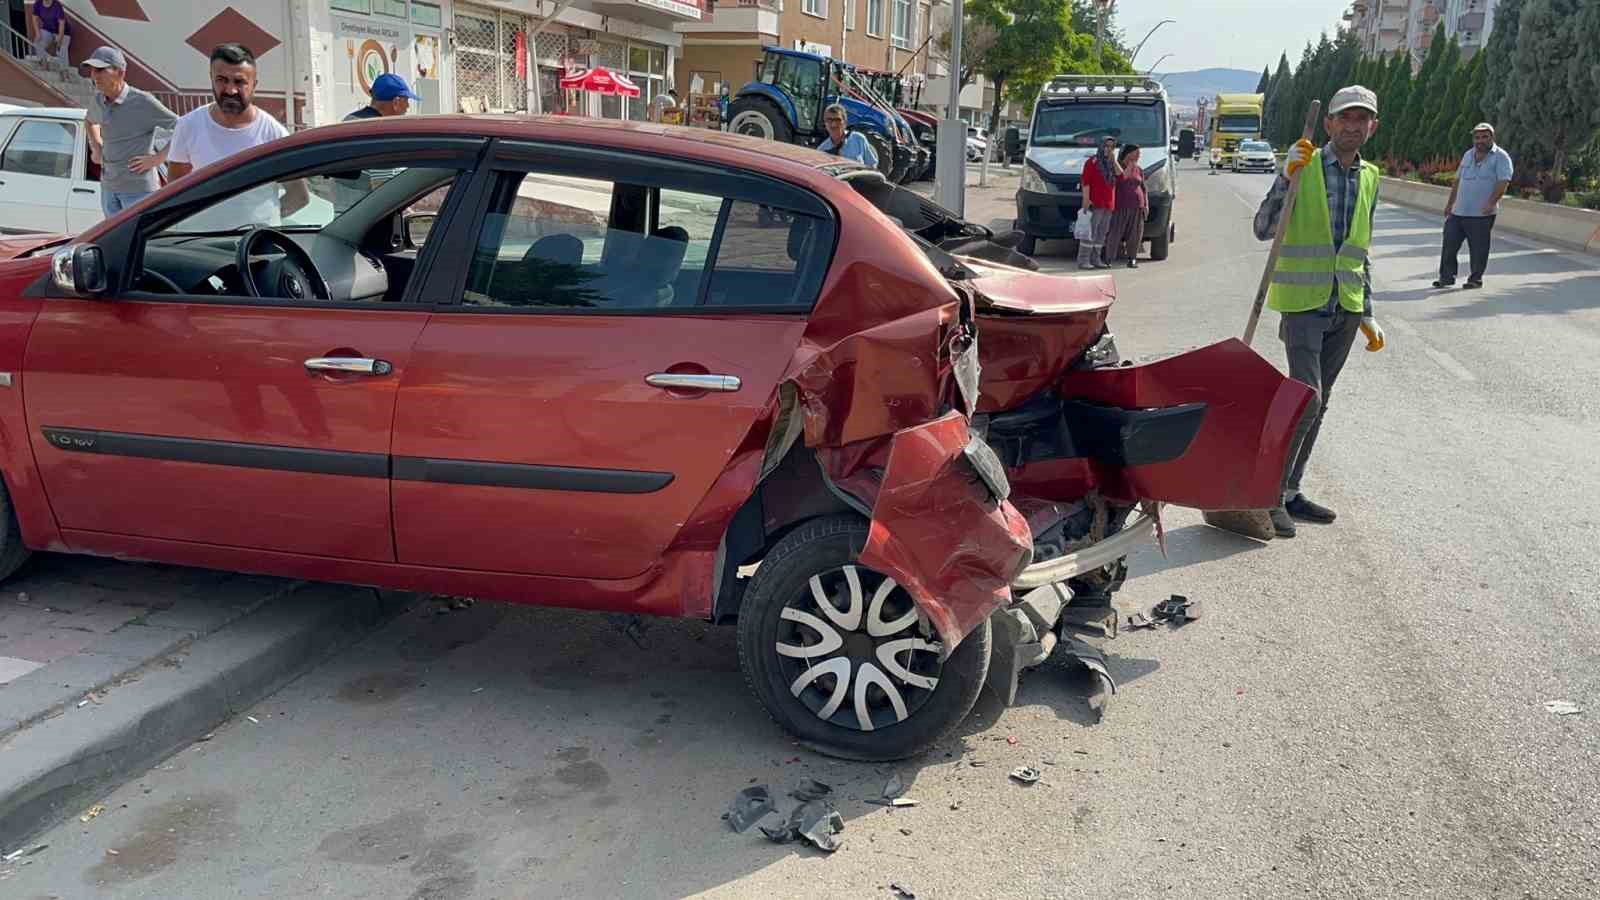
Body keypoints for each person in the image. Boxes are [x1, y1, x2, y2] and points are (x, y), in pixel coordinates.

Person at [1252, 85, 1388, 538]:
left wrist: (1366, 311)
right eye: (1344, 118)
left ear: (1373, 127)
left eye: (1361, 119)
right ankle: (1268, 496)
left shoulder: (1370, 176)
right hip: (1304, 305)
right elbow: (1262, 228)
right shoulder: (1304, 164)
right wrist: (1284, 176)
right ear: (1329, 123)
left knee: (1321, 401)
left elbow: (1360, 250)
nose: (1352, 126)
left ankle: (1291, 491)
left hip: (1344, 307)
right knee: (1305, 397)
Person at [157, 43, 306, 229]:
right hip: (202, 247)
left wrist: (265, 220)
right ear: (211, 79)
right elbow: (175, 193)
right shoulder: (188, 126)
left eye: (239, 82)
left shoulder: (274, 134)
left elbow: (299, 197)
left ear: (254, 85)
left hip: (255, 248)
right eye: (222, 80)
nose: (230, 90)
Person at [81, 46, 177, 217]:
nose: (94, 75)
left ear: (120, 72)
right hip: (109, 189)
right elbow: (89, 121)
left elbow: (182, 127)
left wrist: (157, 159)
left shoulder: (143, 101)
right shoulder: (98, 100)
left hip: (139, 191)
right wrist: (96, 146)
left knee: (138, 241)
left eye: (101, 70)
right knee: (116, 241)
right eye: (92, 70)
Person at [1434, 122, 1513, 290]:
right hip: (1458, 212)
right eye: (1477, 137)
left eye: (1485, 137)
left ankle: (1475, 279)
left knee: (1478, 249)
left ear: (1492, 137)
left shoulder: (1501, 157)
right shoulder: (1468, 155)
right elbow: (1458, 181)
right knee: (1449, 244)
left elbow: (1503, 182)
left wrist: (1491, 203)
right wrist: (1450, 204)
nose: (1480, 140)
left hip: (1482, 214)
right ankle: (1446, 277)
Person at [335, 73, 419, 211]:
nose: (408, 107)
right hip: (368, 221)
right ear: (396, 103)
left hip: (343, 217)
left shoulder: (349, 120)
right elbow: (382, 189)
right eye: (406, 101)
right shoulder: (382, 131)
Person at [1078, 135, 1120, 269]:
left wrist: (1114, 161)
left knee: (1102, 233)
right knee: (1090, 232)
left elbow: (1120, 174)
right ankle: (1084, 259)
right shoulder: (1092, 162)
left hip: (1108, 203)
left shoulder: (1111, 163)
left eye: (1112, 147)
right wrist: (1086, 200)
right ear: (1101, 146)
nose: (1109, 149)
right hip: (1095, 202)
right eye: (1106, 146)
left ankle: (1096, 259)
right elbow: (1086, 182)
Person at [1105, 143, 1147, 268]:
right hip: (1120, 205)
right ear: (1128, 154)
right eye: (1136, 153)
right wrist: (1129, 167)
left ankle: (1132, 258)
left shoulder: (1139, 169)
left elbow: (1143, 188)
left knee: (1135, 234)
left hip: (1137, 206)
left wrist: (1145, 204)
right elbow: (1121, 179)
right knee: (1115, 233)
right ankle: (1109, 258)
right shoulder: (1117, 167)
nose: (1139, 155)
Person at [816, 103, 877, 168]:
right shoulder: (821, 150)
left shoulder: (859, 139)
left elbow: (872, 166)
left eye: (837, 120)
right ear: (825, 123)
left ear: (845, 123)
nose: (833, 124)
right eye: (829, 120)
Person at [28, 0, 70, 68]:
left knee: (62, 50)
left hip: (63, 31)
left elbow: (62, 23)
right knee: (37, 43)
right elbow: (34, 18)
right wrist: (38, 33)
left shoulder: (57, 5)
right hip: (47, 29)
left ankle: (64, 72)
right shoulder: (38, 3)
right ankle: (44, 63)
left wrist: (59, 40)